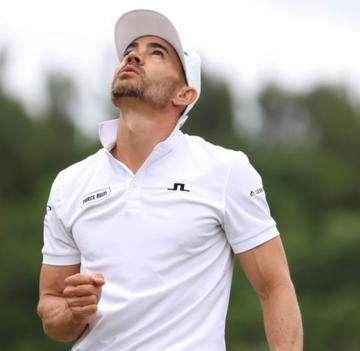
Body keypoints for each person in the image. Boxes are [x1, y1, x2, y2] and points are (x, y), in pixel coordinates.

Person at [37, 9, 303, 351]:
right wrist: (71, 312)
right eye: (131, 49)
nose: (133, 54)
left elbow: (275, 286)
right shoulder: (69, 183)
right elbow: (50, 307)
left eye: (156, 52)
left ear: (184, 95)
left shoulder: (225, 170)